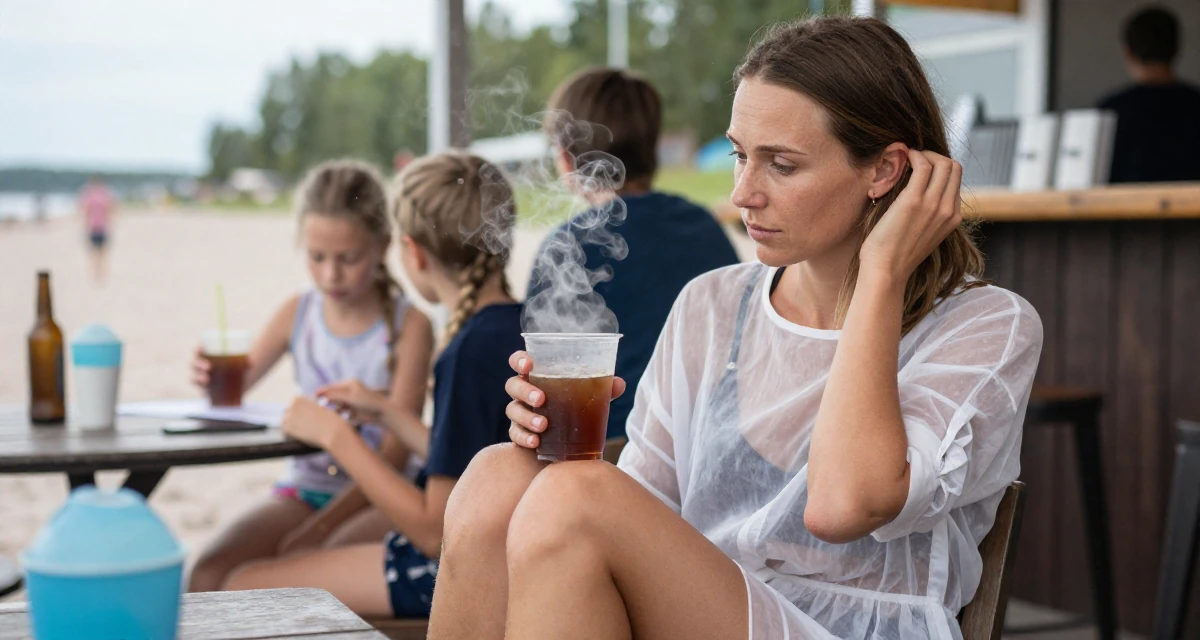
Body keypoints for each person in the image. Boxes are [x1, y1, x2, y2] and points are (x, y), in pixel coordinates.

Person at [430, 15, 1044, 640]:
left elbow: (842, 506)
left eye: (781, 164)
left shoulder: (987, 325)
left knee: (571, 498)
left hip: (851, 629)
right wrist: (553, 449)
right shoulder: (712, 303)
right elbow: (642, 506)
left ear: (885, 171)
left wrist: (880, 274)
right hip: (700, 611)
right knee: (497, 476)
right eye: (739, 155)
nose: (743, 193)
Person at [221, 152, 524, 620]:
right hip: (512, 550)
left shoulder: (465, 352)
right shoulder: (516, 326)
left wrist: (333, 435)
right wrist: (386, 414)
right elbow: (474, 463)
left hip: (458, 570)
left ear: (412, 252)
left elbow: (431, 532)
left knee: (243, 586)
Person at [188, 160, 435, 593]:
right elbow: (234, 389)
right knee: (208, 574)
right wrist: (210, 375)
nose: (330, 275)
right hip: (303, 489)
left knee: (297, 571)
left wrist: (320, 530)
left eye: (348, 259)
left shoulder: (410, 326)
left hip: (376, 495)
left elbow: (396, 457)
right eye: (316, 257)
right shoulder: (297, 314)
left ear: (382, 246)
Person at [528, 67, 740, 441]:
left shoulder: (566, 249)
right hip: (710, 438)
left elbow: (543, 387)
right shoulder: (704, 227)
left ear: (565, 158)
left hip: (609, 450)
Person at [1098, 5, 1200, 183]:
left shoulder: (1111, 111)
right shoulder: (1195, 104)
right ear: (1176, 48)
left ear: (1128, 52)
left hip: (1125, 208)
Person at [78, 177, 116, 282]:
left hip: (96, 227)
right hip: (100, 227)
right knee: (101, 252)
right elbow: (111, 209)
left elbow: (85, 211)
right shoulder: (105, 195)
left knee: (97, 252)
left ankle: (97, 272)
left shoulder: (89, 196)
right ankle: (100, 272)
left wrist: (85, 224)